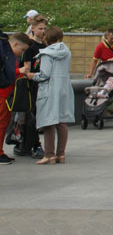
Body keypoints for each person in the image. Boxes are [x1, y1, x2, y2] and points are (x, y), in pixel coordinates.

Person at [22, 27, 74, 165]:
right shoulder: (66, 51)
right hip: (64, 89)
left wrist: (31, 75)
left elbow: (45, 75)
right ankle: (61, 154)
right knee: (62, 122)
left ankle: (49, 155)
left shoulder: (46, 53)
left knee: (48, 122)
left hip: (49, 90)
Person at [16, 15, 47, 159]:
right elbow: (27, 69)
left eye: (44, 28)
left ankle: (26, 143)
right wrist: (36, 76)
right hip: (31, 86)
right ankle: (34, 144)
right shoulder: (30, 47)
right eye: (40, 28)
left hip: (43, 84)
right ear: (33, 29)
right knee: (31, 116)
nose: (43, 31)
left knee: (36, 116)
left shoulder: (45, 46)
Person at [0, 32, 33, 165]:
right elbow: (6, 74)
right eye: (22, 49)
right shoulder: (7, 56)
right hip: (3, 95)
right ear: (15, 44)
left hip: (6, 95)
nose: (22, 53)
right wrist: (20, 71)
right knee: (2, 124)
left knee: (3, 124)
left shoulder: (8, 55)